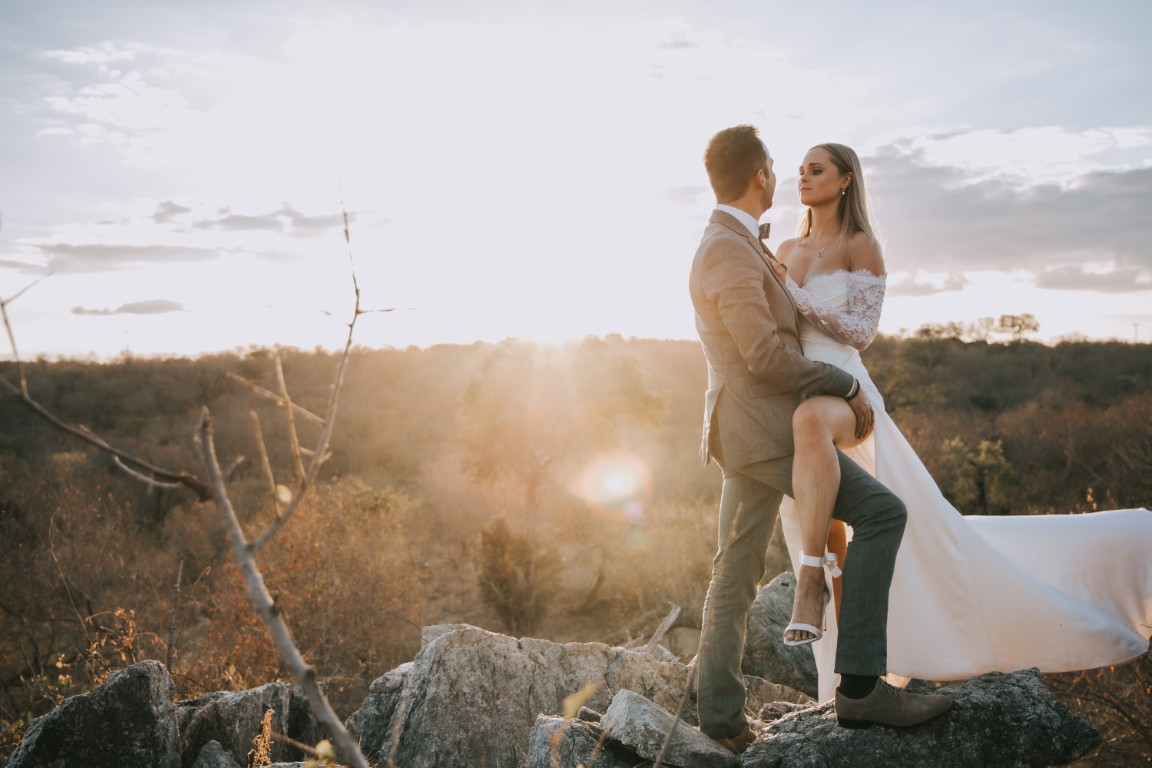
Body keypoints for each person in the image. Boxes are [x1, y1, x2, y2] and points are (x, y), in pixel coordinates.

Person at [775, 142, 1152, 703]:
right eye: (800, 170)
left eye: (816, 169)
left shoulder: (861, 245)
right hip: (799, 393)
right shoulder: (784, 246)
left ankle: (817, 596)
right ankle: (843, 682)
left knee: (900, 528)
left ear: (846, 180)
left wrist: (797, 297)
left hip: (846, 396)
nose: (802, 177)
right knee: (828, 529)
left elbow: (860, 332)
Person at [688, 125, 952, 754]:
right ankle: (861, 686)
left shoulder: (739, 242)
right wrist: (845, 384)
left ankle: (721, 718)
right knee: (883, 513)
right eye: (781, 166)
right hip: (766, 429)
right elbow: (761, 355)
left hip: (750, 428)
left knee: (736, 566)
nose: (790, 176)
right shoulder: (728, 248)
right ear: (761, 177)